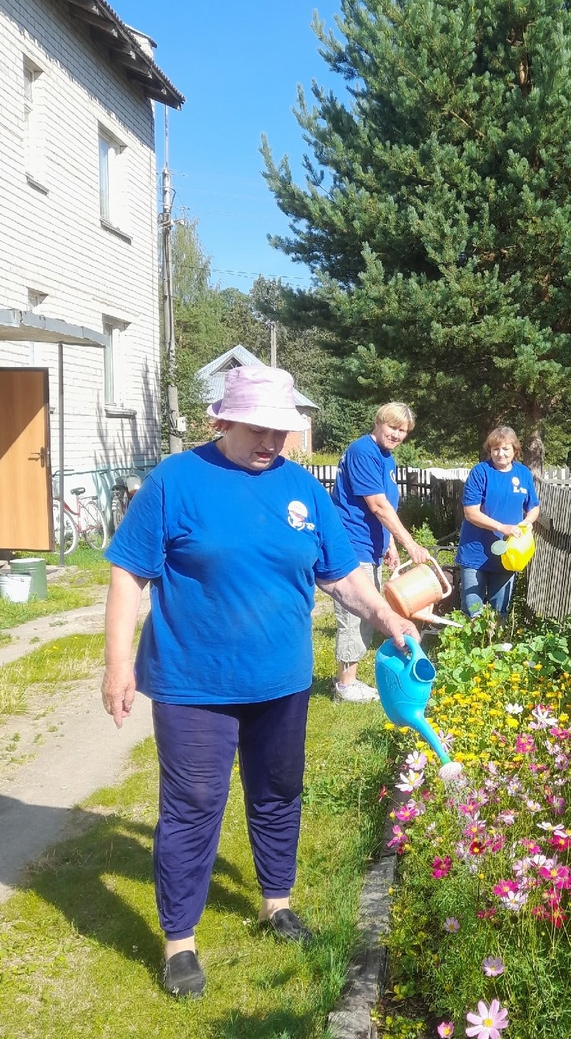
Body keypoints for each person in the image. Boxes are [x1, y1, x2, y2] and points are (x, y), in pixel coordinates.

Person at [101, 365, 419, 999]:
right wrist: (118, 664)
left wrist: (386, 613)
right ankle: (179, 942)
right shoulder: (176, 481)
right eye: (256, 428)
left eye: (279, 428)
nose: (270, 441)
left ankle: (277, 901)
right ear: (224, 420)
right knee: (193, 807)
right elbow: (127, 575)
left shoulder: (302, 489)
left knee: (278, 792)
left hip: (281, 680)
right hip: (195, 684)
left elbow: (342, 573)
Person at [329, 402, 435, 702]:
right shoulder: (363, 451)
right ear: (378, 422)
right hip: (352, 544)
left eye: (403, 431)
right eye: (393, 427)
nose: (397, 434)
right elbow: (377, 505)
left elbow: (383, 504)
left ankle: (348, 680)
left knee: (367, 613)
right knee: (355, 612)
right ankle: (345, 686)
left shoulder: (386, 458)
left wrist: (388, 544)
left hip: (369, 545)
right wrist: (410, 544)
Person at [456, 426, 540, 617]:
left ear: (515, 450)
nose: (500, 454)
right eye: (495, 449)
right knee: (472, 611)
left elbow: (533, 507)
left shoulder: (523, 473)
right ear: (490, 450)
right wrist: (502, 527)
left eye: (505, 449)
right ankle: (473, 646)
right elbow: (471, 513)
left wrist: (526, 522)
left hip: (507, 555)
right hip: (475, 553)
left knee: (500, 611)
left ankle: (497, 644)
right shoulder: (480, 472)